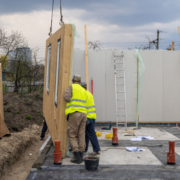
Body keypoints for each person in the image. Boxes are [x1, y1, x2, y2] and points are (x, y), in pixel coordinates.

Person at [64, 74, 87, 164]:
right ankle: (81, 155)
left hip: (74, 113)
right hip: (83, 114)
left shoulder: (71, 87)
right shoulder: (83, 90)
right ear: (80, 81)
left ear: (73, 80)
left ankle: (77, 156)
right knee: (81, 134)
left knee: (72, 134)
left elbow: (66, 98)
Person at [81, 82, 100, 155]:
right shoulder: (89, 94)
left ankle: (96, 149)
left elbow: (83, 106)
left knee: (91, 134)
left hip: (87, 117)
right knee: (86, 134)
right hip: (92, 116)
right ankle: (84, 148)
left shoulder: (83, 94)